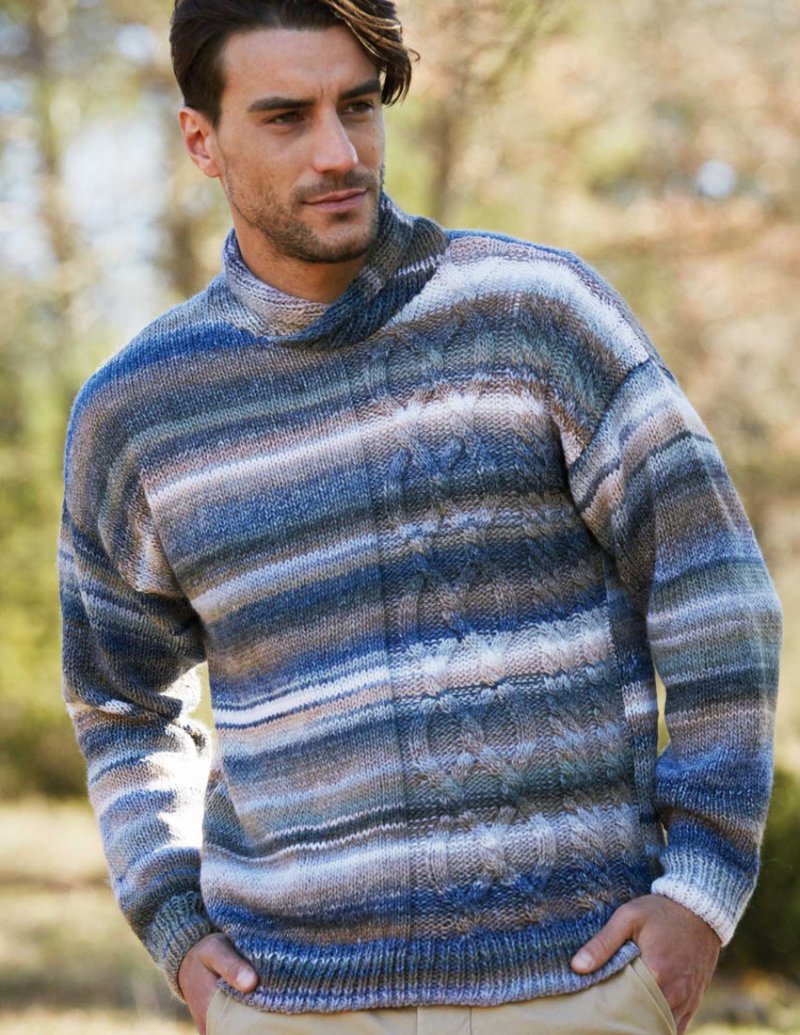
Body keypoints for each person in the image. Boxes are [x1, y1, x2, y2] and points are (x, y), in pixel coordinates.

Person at [57, 1, 783, 1033]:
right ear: (200, 141)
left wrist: (700, 891)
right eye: (285, 117)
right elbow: (122, 702)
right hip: (290, 1002)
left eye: (357, 107)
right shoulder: (135, 413)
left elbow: (714, 589)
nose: (338, 153)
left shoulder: (535, 315)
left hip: (575, 985)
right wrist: (175, 925)